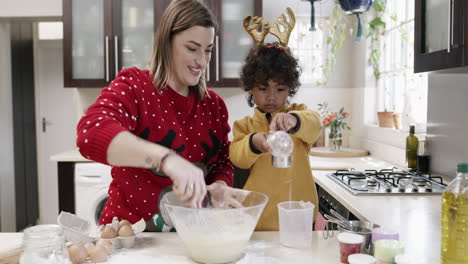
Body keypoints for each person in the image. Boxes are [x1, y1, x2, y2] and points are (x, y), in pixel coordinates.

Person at [76, 0, 235, 231]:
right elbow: (90, 133)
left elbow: (222, 160)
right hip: (128, 236)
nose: (202, 61)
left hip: (191, 236)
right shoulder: (135, 87)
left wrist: (220, 184)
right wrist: (166, 159)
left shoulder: (214, 106)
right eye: (192, 48)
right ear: (166, 43)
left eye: (208, 50)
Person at [229, 42, 321, 231]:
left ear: (289, 89)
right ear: (251, 89)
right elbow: (238, 158)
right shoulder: (245, 126)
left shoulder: (298, 114)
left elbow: (315, 125)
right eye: (263, 88)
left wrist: (294, 120)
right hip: (259, 219)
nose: (271, 97)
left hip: (299, 215)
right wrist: (254, 142)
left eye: (280, 89)